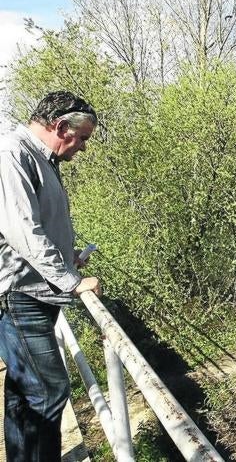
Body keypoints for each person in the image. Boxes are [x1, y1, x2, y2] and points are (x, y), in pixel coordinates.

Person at [0, 91, 102, 461]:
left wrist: (68, 256)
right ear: (60, 127)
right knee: (49, 389)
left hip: (34, 294)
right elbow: (23, 231)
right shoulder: (13, 154)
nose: (83, 148)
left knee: (24, 392)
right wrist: (72, 280)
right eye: (83, 138)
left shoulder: (42, 160)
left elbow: (38, 226)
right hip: (20, 296)